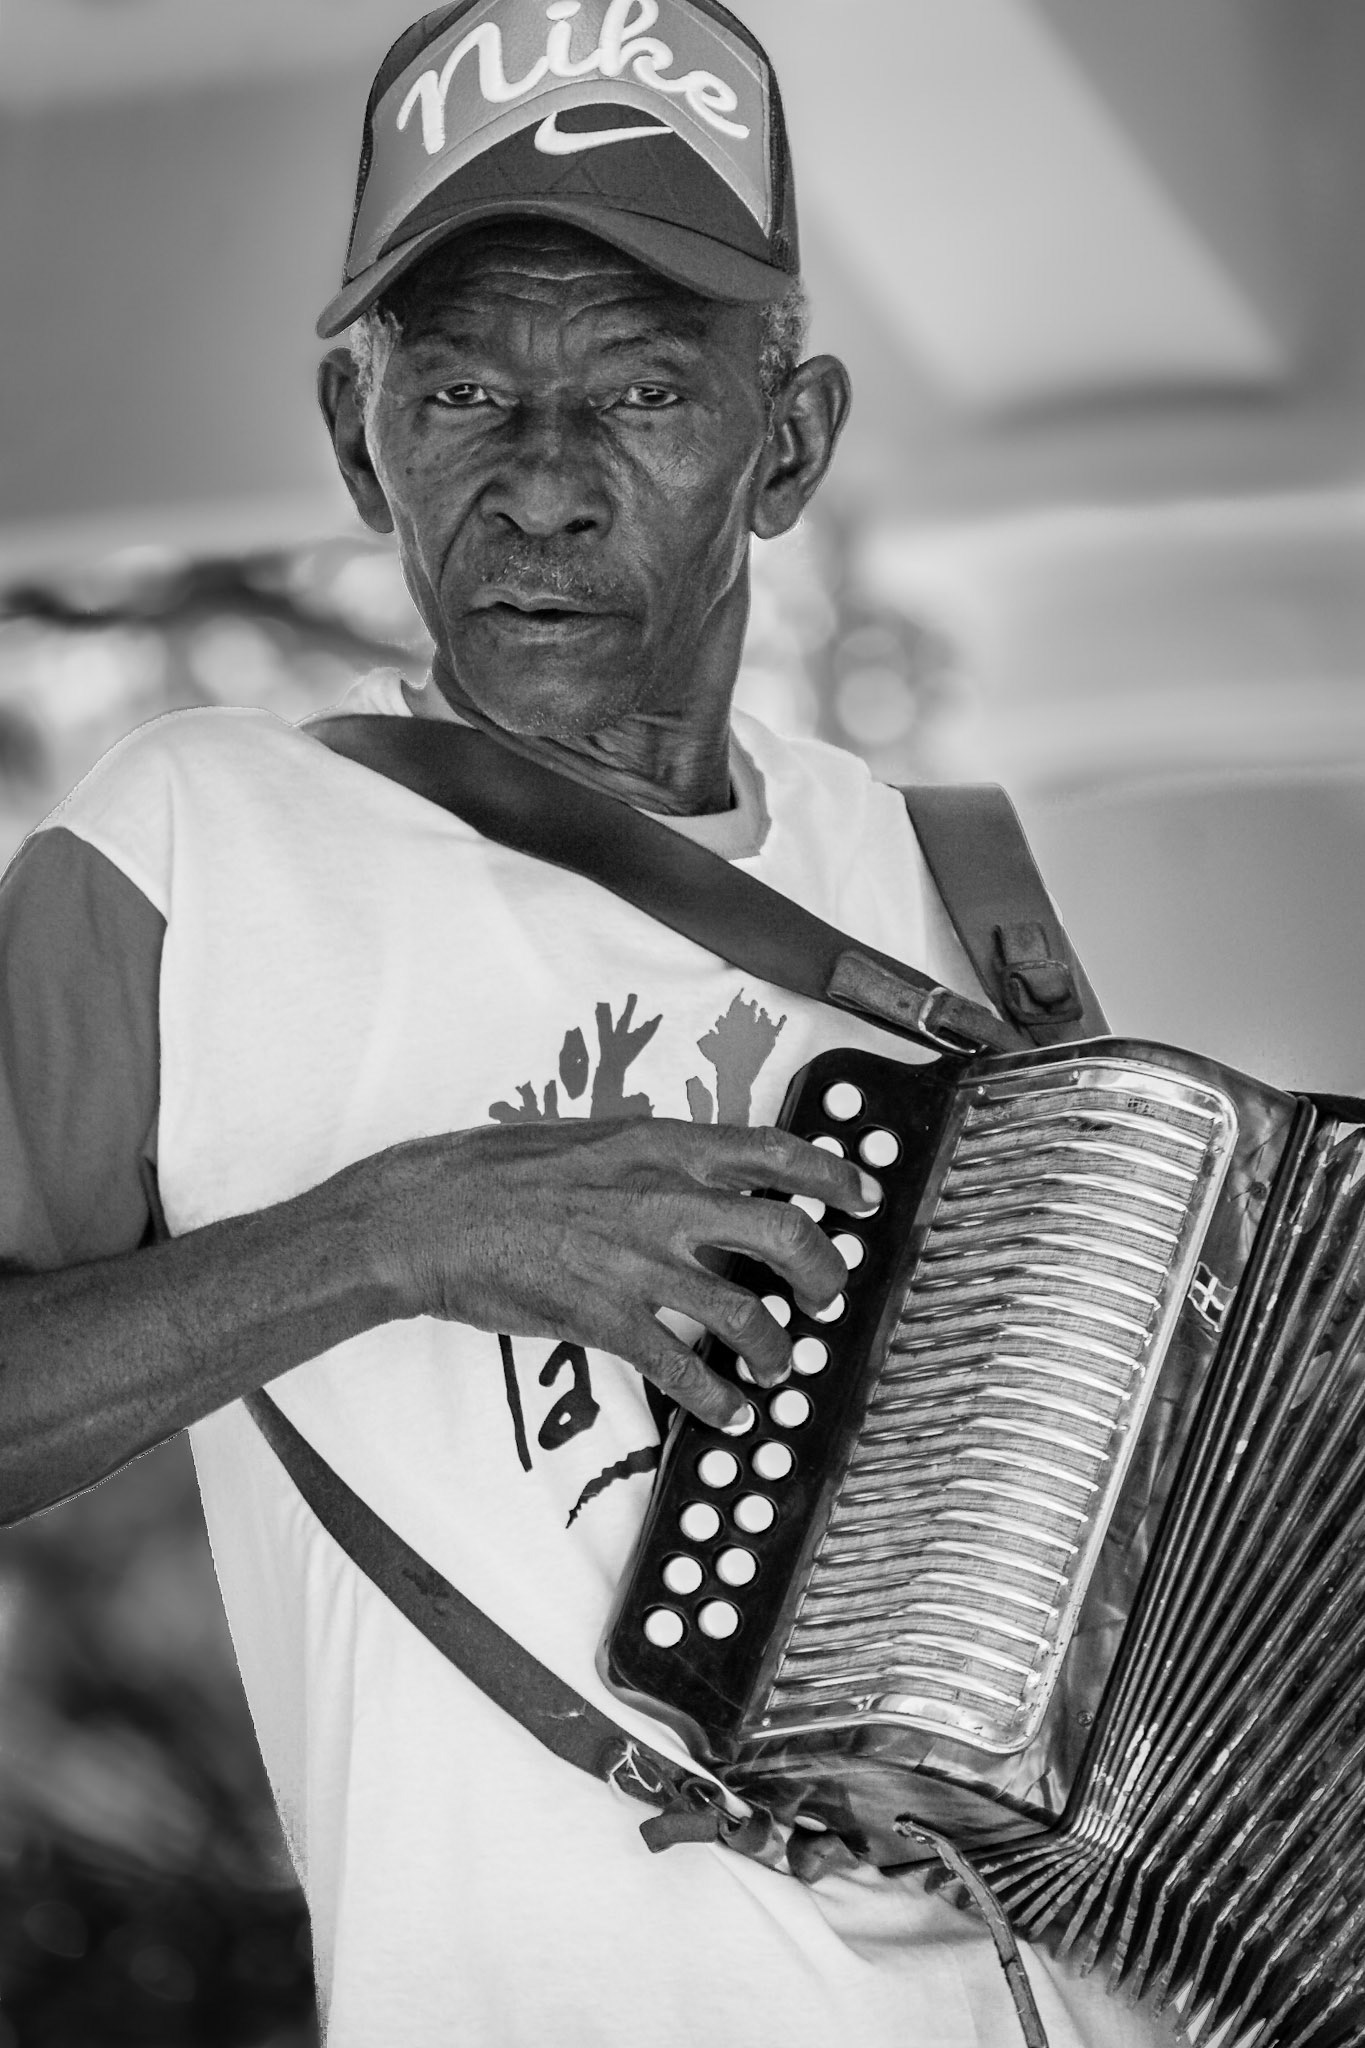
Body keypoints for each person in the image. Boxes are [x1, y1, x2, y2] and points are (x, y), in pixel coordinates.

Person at [0, 3, 1187, 2042]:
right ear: (347, 431)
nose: (539, 484)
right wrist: (389, 1236)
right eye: (460, 386)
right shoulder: (189, 840)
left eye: (640, 388)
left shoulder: (960, 881)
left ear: (787, 439)